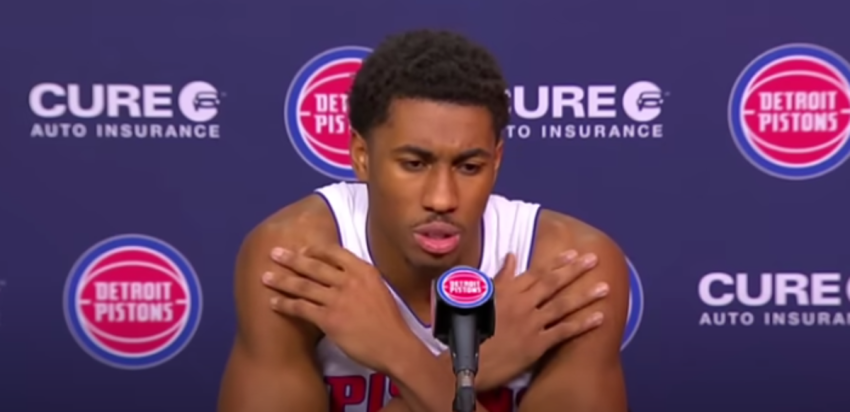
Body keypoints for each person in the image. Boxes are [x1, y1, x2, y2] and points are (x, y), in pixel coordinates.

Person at [218, 29, 630, 412]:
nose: (442, 199)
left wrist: (399, 353)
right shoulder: (298, 258)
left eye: (469, 167)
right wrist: (468, 371)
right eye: (414, 164)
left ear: (497, 160)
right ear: (362, 156)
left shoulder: (567, 268)